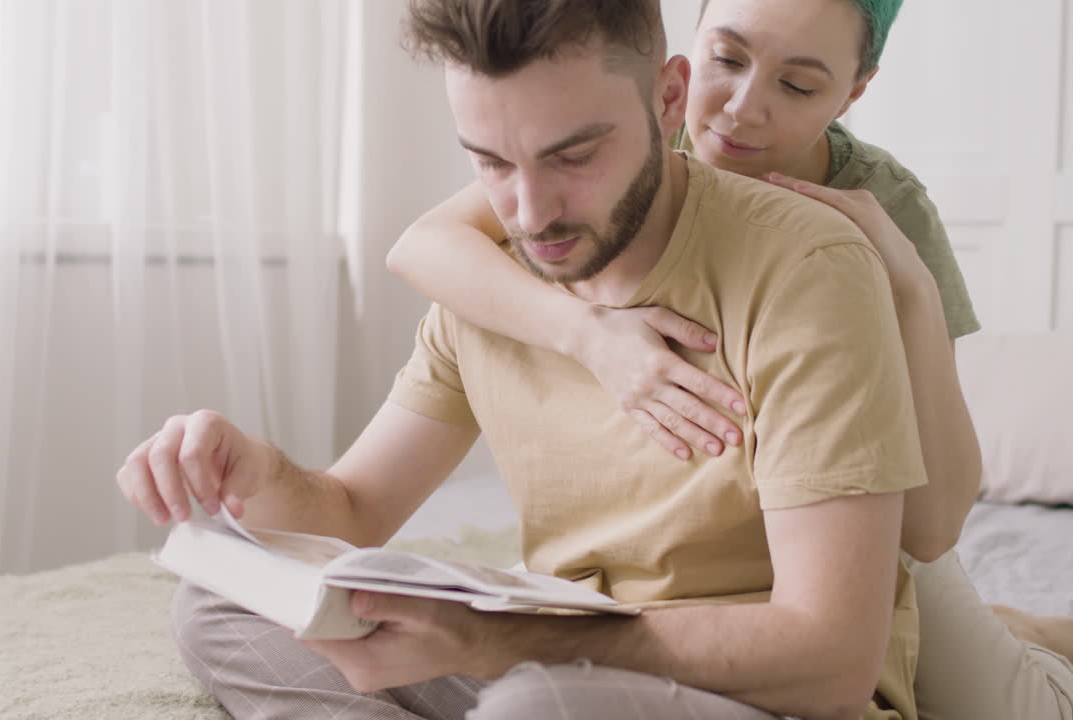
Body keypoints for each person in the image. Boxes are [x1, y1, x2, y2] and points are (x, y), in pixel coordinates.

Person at [120, 1, 938, 717]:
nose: (531, 212)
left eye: (574, 157)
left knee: (535, 706)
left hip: (754, 691)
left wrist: (496, 642)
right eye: (490, 162)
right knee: (221, 604)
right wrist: (258, 474)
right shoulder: (493, 283)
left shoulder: (807, 267)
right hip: (554, 661)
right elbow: (353, 510)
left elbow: (833, 659)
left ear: (668, 100)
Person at [384, 0, 1073, 717]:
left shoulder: (879, 208)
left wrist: (911, 287)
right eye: (728, 59)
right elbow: (422, 246)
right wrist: (588, 335)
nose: (742, 109)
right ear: (681, 72)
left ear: (853, 92)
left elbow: (930, 529)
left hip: (865, 516)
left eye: (797, 85)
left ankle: (1043, 643)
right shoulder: (625, 145)